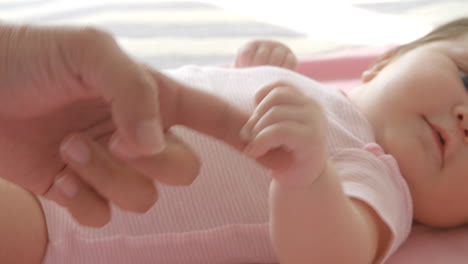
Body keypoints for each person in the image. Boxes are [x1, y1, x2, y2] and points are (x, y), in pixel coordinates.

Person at [2, 17, 468, 264]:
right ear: (386, 61)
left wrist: (307, 178)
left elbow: (331, 254)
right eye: (466, 78)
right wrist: (254, 72)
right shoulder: (312, 96)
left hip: (55, 218)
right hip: (49, 133)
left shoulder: (379, 178)